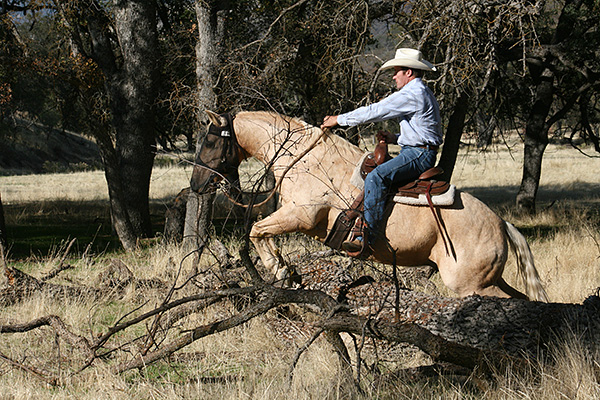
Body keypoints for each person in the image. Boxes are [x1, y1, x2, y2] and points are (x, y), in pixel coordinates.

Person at [320, 48, 443, 253]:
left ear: (409, 73)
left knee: (376, 177)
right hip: (419, 151)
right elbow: (423, 130)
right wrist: (395, 138)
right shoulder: (422, 91)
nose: (394, 76)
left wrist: (338, 120)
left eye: (397, 71)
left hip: (418, 154)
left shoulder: (412, 93)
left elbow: (375, 111)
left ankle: (366, 236)